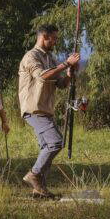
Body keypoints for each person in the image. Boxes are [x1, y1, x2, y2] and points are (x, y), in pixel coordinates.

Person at [18, 24, 80, 198]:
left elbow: (60, 84)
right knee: (56, 142)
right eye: (53, 38)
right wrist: (66, 63)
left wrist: (68, 74)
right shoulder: (31, 56)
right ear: (44, 36)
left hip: (45, 109)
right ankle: (34, 175)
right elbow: (42, 76)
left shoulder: (50, 58)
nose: (55, 42)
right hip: (34, 109)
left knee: (46, 146)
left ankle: (39, 190)